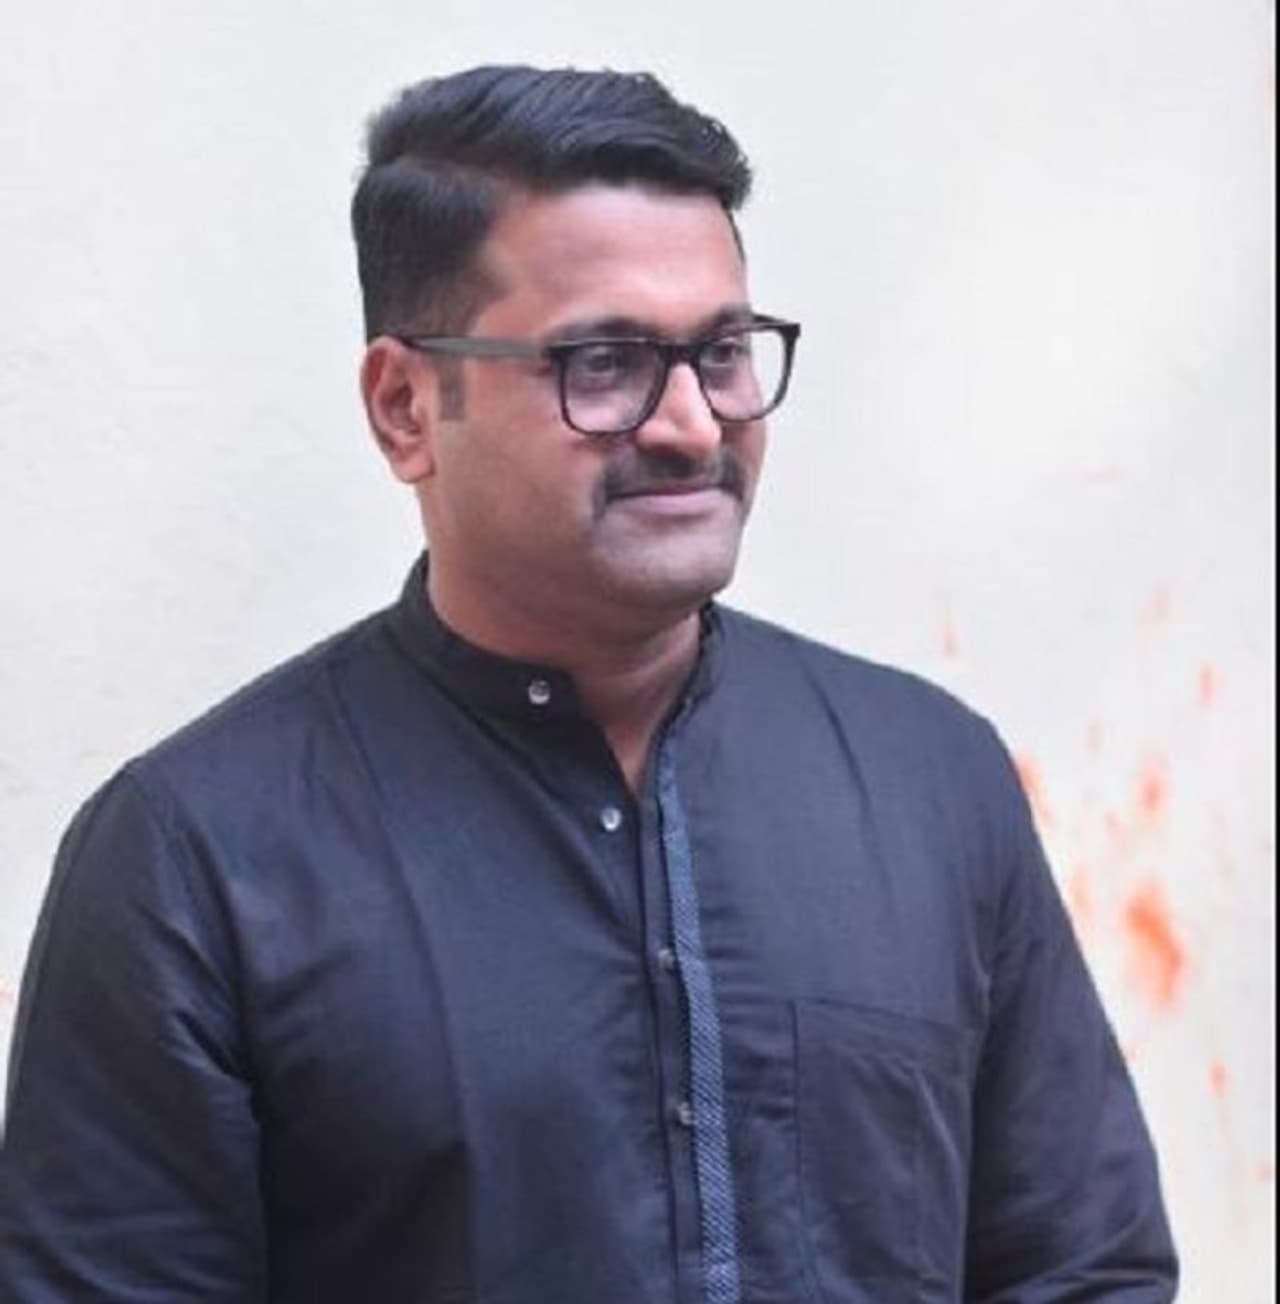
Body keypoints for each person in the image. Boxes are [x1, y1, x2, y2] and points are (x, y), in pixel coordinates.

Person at [0, 65, 1177, 1303]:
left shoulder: (927, 780)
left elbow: (1080, 1266)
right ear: (405, 407)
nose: (691, 423)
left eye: (721, 352)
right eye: (603, 361)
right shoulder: (197, 857)